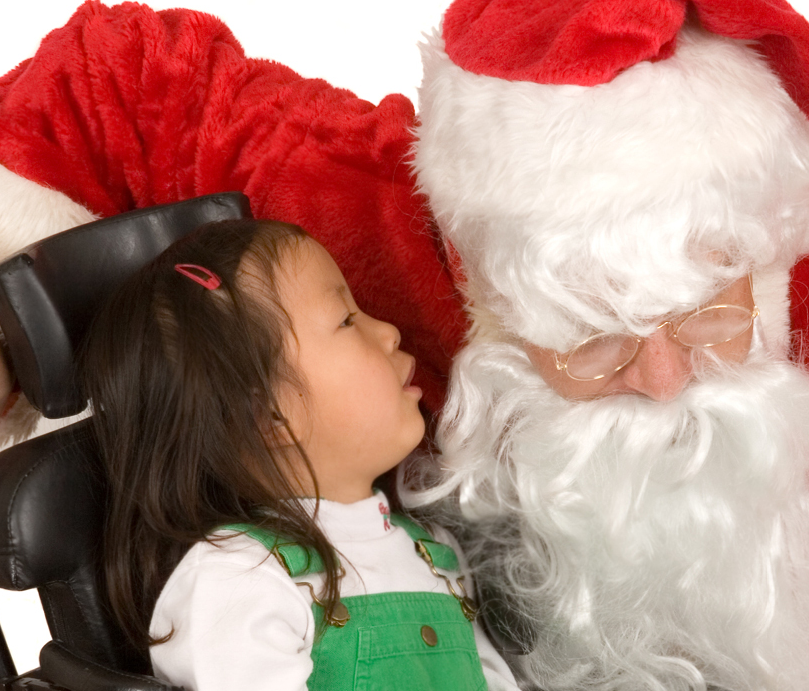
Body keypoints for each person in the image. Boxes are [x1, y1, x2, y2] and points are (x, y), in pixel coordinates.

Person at [0, 0, 809, 690]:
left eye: (709, 316)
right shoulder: (374, 232)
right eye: (587, 338)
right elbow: (116, 77)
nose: (657, 382)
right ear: (479, 282)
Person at [76, 216, 519, 691]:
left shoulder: (434, 556)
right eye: (348, 320)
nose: (388, 331)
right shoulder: (239, 581)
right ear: (268, 415)